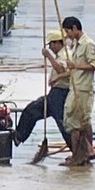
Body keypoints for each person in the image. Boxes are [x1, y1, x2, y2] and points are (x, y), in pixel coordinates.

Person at [16, 33, 74, 162]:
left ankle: (77, 152)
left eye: (52, 45)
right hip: (55, 93)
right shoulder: (62, 54)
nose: (51, 48)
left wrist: (48, 56)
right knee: (32, 110)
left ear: (57, 43)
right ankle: (19, 136)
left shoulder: (65, 55)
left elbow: (61, 70)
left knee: (63, 124)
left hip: (61, 93)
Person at [55, 17, 95, 165]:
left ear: (75, 28)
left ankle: (79, 155)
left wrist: (75, 66)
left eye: (68, 31)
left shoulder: (87, 44)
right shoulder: (75, 45)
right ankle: (84, 152)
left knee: (77, 122)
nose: (67, 35)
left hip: (83, 88)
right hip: (75, 86)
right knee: (76, 121)